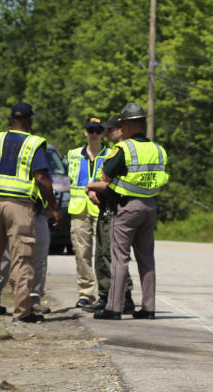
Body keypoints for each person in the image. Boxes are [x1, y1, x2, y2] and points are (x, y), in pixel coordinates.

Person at [0, 102, 62, 323]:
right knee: (22, 259)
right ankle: (22, 312)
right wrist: (54, 207)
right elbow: (41, 178)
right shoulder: (34, 143)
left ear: (11, 119)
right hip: (20, 207)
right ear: (30, 119)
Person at [88, 103, 167, 320]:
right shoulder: (158, 149)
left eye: (123, 124)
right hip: (150, 206)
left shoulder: (125, 148)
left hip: (127, 207)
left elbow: (106, 175)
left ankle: (114, 307)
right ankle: (148, 308)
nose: (121, 128)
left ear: (131, 125)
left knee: (119, 257)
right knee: (146, 258)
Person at [84, 114, 134, 313]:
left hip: (116, 208)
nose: (107, 133)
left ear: (121, 130)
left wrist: (91, 186)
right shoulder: (114, 151)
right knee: (103, 255)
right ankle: (107, 295)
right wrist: (92, 190)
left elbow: (108, 181)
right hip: (106, 206)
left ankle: (122, 296)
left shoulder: (123, 151)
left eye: (111, 129)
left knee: (111, 255)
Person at [67, 116, 109, 309]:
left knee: (103, 253)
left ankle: (105, 293)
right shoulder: (73, 154)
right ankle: (85, 294)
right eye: (91, 130)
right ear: (85, 132)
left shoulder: (110, 154)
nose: (94, 134)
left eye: (97, 131)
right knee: (82, 253)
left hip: (102, 207)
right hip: (79, 208)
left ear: (103, 133)